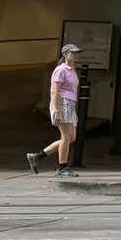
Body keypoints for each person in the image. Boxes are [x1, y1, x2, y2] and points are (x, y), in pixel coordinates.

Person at [27, 44, 82, 177]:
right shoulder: (60, 69)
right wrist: (56, 109)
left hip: (70, 104)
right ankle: (63, 167)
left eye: (76, 53)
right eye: (72, 53)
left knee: (71, 138)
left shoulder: (72, 70)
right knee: (66, 137)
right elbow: (55, 91)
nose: (75, 55)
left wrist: (73, 111)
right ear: (65, 55)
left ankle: (38, 157)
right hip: (62, 103)